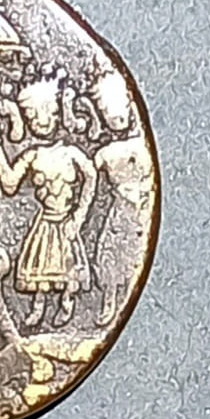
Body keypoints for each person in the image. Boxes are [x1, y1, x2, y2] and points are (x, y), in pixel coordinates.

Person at [0, 78, 96, 327]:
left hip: (66, 220)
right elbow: (9, 184)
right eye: (31, 116)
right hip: (45, 221)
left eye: (44, 113)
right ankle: (38, 306)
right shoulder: (32, 155)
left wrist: (80, 216)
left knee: (67, 265)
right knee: (40, 265)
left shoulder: (72, 153)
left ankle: (66, 301)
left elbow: (91, 177)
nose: (38, 121)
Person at [91, 70, 154, 325]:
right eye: (107, 113)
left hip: (136, 209)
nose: (114, 118)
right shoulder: (107, 152)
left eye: (117, 111)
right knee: (107, 252)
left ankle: (114, 301)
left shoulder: (134, 148)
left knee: (124, 253)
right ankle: (108, 299)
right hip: (119, 210)